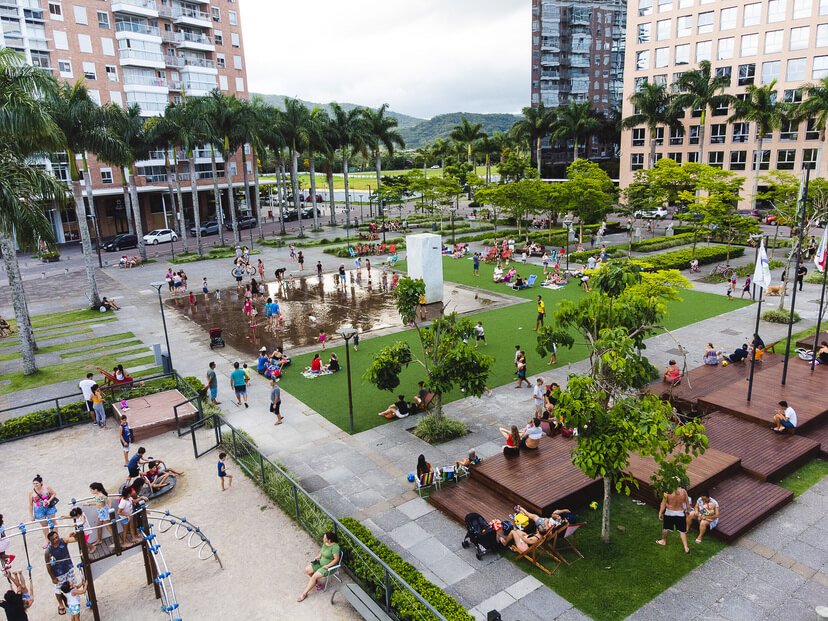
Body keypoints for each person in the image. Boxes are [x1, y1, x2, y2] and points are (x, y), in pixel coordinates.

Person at [297, 531, 341, 602]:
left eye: (324, 538)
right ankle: (316, 582)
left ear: (329, 540)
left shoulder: (335, 547)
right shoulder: (325, 543)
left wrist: (328, 565)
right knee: (307, 570)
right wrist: (318, 556)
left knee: (314, 576)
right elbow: (322, 551)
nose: (323, 538)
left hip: (328, 567)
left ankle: (304, 594)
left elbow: (336, 560)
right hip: (320, 563)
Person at [45, 530, 79, 616]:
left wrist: (75, 535)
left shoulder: (63, 541)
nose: (57, 539)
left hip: (68, 568)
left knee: (72, 585)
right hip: (58, 573)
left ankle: (71, 600)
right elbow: (48, 566)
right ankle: (61, 604)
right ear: (51, 541)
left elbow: (76, 539)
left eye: (57, 537)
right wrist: (52, 577)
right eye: (55, 538)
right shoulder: (48, 551)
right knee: (58, 589)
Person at [656, 482, 691, 553]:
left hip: (669, 513)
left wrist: (660, 513)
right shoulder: (683, 491)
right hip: (680, 513)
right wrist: (688, 511)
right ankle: (686, 547)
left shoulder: (667, 492)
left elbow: (663, 504)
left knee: (666, 528)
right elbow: (687, 503)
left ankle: (663, 541)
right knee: (682, 531)